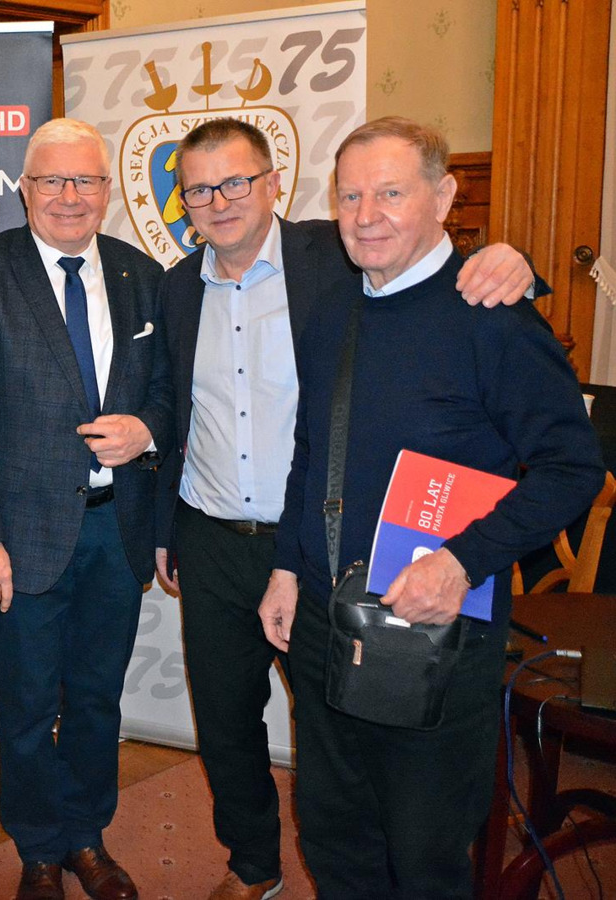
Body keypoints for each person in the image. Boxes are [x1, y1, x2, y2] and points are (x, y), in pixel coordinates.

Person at [153, 118, 537, 900]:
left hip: (336, 550)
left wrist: (516, 262)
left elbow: (437, 270)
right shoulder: (175, 285)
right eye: (199, 189)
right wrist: (168, 529)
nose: (219, 201)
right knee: (235, 727)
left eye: (236, 182)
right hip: (218, 536)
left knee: (368, 753)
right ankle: (253, 864)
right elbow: (172, 403)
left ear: (274, 184)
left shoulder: (339, 255)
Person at [257, 116, 604, 898]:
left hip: (437, 636)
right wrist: (286, 566)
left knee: (424, 855)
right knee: (334, 838)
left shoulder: (495, 318)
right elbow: (312, 452)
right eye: (349, 196)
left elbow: (572, 468)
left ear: (443, 197)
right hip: (327, 622)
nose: (365, 216)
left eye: (390, 193)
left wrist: (461, 561)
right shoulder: (333, 312)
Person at [0, 118, 170, 900]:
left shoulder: (141, 274)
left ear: (107, 190)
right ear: (24, 188)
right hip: (19, 540)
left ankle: (87, 840)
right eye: (52, 180)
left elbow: (168, 393)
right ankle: (38, 850)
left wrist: (146, 430)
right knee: (29, 705)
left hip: (116, 532)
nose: (70, 196)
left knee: (98, 700)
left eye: (86, 180)